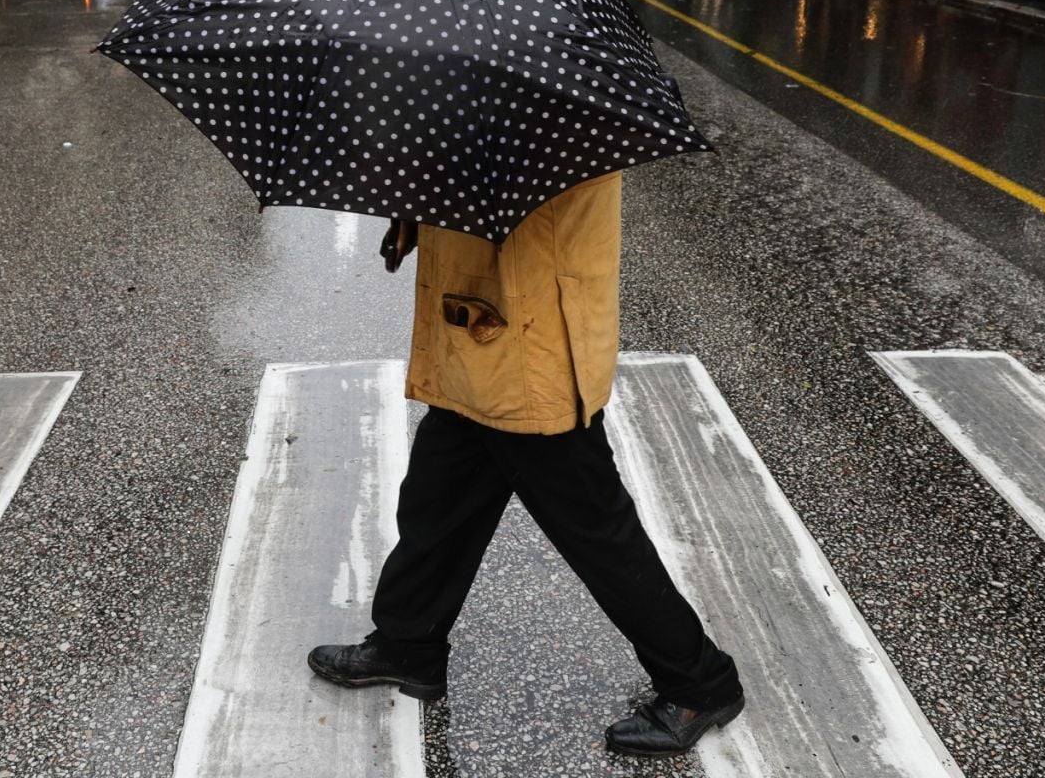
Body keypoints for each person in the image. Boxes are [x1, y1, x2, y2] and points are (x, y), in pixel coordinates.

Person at [308, 176, 744, 757]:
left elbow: (507, 195)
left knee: (597, 533)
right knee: (437, 502)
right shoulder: (495, 97)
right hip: (480, 331)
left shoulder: (551, 105)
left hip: (530, 341)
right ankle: (407, 643)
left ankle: (701, 683)